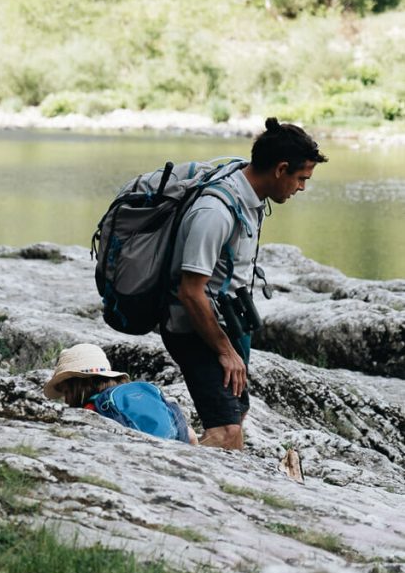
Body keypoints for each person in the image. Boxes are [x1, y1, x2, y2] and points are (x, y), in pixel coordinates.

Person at [160, 117, 328, 451]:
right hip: (194, 330)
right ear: (280, 169)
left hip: (227, 324)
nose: (302, 188)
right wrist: (225, 351)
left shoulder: (248, 195)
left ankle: (188, 447)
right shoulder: (215, 212)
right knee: (226, 433)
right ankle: (185, 483)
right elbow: (190, 292)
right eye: (301, 178)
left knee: (238, 413)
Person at [44, 342, 198, 444]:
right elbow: (190, 436)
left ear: (75, 386)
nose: (65, 400)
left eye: (65, 392)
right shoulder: (137, 392)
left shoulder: (92, 410)